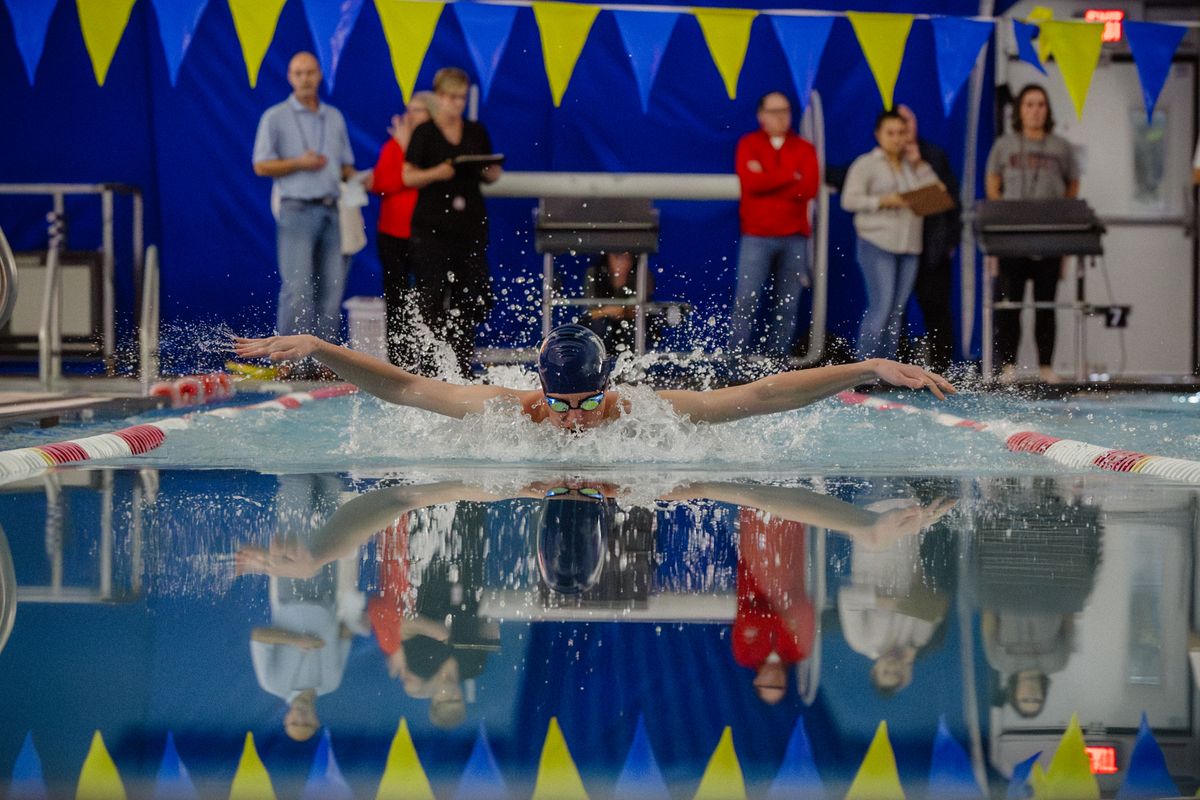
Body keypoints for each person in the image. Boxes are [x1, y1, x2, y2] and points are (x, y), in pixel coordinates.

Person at [232, 322, 955, 434]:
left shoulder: (642, 412)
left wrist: (869, 366)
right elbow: (404, 387)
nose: (576, 420)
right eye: (562, 405)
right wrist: (319, 346)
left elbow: (759, 396)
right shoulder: (511, 410)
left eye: (590, 402)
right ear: (540, 391)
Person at [252, 52, 360, 367]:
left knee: (331, 292)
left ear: (320, 75)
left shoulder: (334, 117)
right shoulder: (275, 117)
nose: (305, 78)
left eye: (310, 72)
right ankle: (287, 363)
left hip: (332, 210)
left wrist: (363, 180)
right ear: (289, 77)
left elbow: (345, 167)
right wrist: (300, 163)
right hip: (297, 210)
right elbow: (261, 165)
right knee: (298, 289)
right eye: (298, 73)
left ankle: (326, 364)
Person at [402, 67, 502, 378]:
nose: (456, 104)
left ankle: (460, 364)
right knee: (432, 297)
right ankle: (432, 366)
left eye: (461, 97)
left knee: (469, 298)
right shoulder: (425, 132)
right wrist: (437, 173)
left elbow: (490, 172)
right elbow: (408, 176)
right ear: (438, 97)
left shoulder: (475, 131)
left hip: (468, 227)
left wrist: (490, 172)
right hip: (432, 229)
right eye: (451, 97)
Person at [984, 84, 1081, 384]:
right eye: (1029, 104)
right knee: (1010, 305)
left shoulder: (1061, 147)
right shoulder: (1004, 145)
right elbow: (992, 184)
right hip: (1012, 239)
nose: (1035, 111)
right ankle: (1008, 366)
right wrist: (1006, 217)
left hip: (1049, 239)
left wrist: (1059, 216)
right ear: (1019, 110)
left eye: (1040, 104)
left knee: (1045, 305)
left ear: (1047, 110)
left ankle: (1046, 366)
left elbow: (1073, 185)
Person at [842, 109, 940, 361]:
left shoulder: (913, 165)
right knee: (881, 307)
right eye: (891, 133)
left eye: (901, 133)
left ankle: (887, 369)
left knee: (897, 312)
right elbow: (849, 200)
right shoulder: (866, 164)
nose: (896, 139)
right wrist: (882, 201)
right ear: (878, 134)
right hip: (877, 242)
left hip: (909, 245)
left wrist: (918, 165)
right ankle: (865, 368)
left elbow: (937, 197)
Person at [731, 92, 820, 358]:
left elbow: (808, 188)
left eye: (785, 110)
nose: (780, 117)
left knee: (787, 305)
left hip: (794, 237)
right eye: (774, 111)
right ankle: (735, 363)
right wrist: (790, 176)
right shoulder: (749, 144)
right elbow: (751, 183)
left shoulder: (804, 148)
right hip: (756, 235)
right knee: (746, 300)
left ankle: (777, 363)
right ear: (761, 115)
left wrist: (768, 178)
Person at [371, 91, 437, 368]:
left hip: (427, 233)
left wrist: (410, 168)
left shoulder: (437, 145)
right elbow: (380, 184)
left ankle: (430, 360)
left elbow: (433, 182)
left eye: (418, 111)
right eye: (409, 110)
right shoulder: (393, 146)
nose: (411, 116)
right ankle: (399, 361)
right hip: (392, 233)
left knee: (429, 299)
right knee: (396, 298)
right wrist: (402, 152)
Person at [896, 106, 961, 374]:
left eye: (908, 121)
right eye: (898, 122)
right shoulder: (881, 159)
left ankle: (941, 369)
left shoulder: (933, 155)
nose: (904, 128)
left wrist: (951, 241)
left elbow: (947, 201)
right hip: (896, 247)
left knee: (936, 308)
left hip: (932, 248)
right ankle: (896, 368)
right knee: (892, 310)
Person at [581, 251, 656, 354]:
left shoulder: (642, 274)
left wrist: (623, 311)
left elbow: (643, 309)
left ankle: (634, 360)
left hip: (631, 320)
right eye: (617, 257)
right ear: (607, 256)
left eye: (626, 257)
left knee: (633, 328)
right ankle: (600, 359)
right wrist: (607, 311)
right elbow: (590, 312)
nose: (621, 261)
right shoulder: (594, 273)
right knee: (600, 326)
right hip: (602, 321)